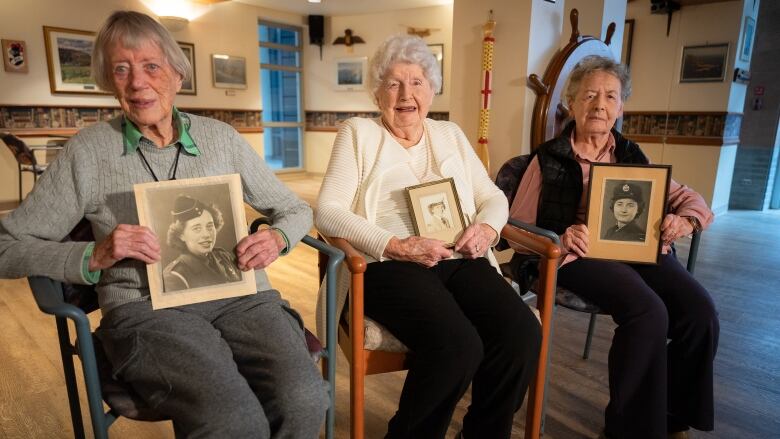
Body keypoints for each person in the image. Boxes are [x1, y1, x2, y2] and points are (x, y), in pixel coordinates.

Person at [0, 11, 327, 438]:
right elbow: (7, 246)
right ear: (108, 80)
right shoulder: (88, 153)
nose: (137, 83)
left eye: (151, 66)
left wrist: (277, 237)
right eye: (121, 69)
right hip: (147, 311)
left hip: (243, 298)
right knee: (231, 417)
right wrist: (92, 255)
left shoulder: (221, 138)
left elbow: (295, 210)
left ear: (177, 74)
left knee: (306, 398)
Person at [315, 35, 541, 439]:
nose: (406, 94)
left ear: (432, 89)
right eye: (393, 83)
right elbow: (328, 210)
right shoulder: (358, 134)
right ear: (377, 91)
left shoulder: (449, 133)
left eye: (417, 82)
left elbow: (491, 195)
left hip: (458, 258)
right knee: (458, 346)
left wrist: (487, 228)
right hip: (388, 263)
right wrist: (395, 245)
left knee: (521, 332)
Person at [509, 55, 718, 439]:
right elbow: (513, 229)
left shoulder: (632, 156)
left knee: (700, 311)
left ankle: (672, 416)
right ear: (571, 104)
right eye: (589, 95)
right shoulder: (548, 159)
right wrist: (558, 236)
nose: (599, 105)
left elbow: (690, 199)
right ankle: (630, 429)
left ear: (621, 106)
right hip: (577, 256)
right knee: (648, 311)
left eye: (610, 96)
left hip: (637, 251)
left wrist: (683, 219)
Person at [163, 195, 242, 291]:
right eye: (197, 228)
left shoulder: (223, 256)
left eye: (209, 226)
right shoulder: (175, 275)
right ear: (181, 235)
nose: (206, 234)